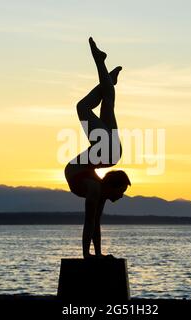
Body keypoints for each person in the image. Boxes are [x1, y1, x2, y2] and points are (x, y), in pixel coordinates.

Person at [64, 37, 131, 259]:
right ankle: (101, 67)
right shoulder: (95, 190)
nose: (121, 197)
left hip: (108, 153)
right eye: (121, 192)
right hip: (107, 153)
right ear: (112, 187)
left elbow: (95, 224)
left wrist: (98, 255)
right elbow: (89, 222)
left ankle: (106, 75)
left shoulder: (98, 191)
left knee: (108, 102)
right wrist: (88, 256)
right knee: (82, 107)